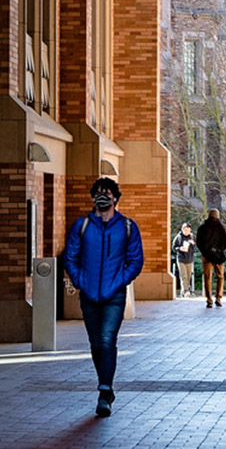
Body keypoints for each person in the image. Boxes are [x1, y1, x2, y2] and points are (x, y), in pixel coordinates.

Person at [63, 177, 144, 417]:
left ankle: (104, 391)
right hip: (88, 294)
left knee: (107, 340)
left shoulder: (128, 226)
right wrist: (81, 281)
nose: (102, 196)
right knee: (96, 343)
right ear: (92, 197)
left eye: (107, 193)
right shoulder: (82, 225)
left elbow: (135, 260)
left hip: (114, 295)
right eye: (98, 193)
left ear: (115, 198)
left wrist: (119, 281)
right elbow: (71, 257)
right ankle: (105, 386)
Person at [196, 209, 226, 308]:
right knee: (220, 277)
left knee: (207, 278)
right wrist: (219, 251)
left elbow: (199, 242)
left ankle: (209, 299)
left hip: (206, 256)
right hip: (218, 256)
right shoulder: (222, 228)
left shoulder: (202, 228)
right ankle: (218, 297)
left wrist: (205, 252)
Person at [172, 222, 196, 298]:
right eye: (185, 230)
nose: (187, 232)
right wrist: (179, 248)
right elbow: (174, 247)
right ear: (182, 230)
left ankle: (184, 292)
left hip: (189, 259)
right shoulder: (178, 237)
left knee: (188, 276)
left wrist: (193, 244)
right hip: (181, 259)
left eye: (188, 230)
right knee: (184, 276)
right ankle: (186, 291)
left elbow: (196, 249)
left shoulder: (192, 237)